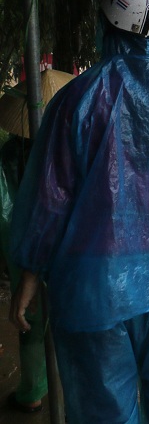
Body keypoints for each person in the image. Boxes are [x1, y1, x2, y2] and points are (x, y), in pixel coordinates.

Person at [8, 0, 149, 423]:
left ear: (107, 27)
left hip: (98, 285)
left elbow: (52, 197)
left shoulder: (78, 97)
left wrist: (29, 275)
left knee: (104, 411)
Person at [0, 135, 46, 413]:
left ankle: (32, 392)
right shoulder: (68, 136)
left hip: (22, 245)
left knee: (30, 318)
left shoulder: (10, 150)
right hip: (75, 252)